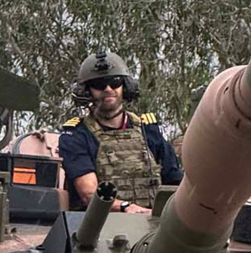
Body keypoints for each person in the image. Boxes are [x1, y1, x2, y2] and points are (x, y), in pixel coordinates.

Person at [58, 50, 183, 213]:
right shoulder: (77, 135)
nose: (108, 89)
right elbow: (88, 194)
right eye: (99, 84)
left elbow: (175, 181)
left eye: (115, 81)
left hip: (152, 223)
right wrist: (126, 207)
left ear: (126, 86)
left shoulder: (148, 130)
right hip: (100, 226)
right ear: (87, 91)